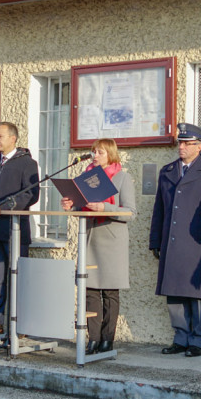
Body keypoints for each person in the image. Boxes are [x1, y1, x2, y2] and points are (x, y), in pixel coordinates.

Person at [149, 123, 201, 357]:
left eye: (187, 143)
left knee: (197, 293)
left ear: (199, 146)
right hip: (171, 242)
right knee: (174, 292)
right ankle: (180, 338)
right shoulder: (168, 171)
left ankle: (198, 340)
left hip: (197, 243)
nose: (181, 147)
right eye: (180, 142)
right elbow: (159, 209)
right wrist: (155, 241)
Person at [60, 139, 136, 354]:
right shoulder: (86, 178)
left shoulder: (122, 177)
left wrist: (105, 206)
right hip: (91, 238)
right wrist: (70, 205)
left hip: (112, 240)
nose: (95, 155)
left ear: (110, 153)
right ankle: (92, 339)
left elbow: (131, 212)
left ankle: (107, 339)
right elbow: (82, 206)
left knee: (110, 292)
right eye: (93, 151)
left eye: (100, 152)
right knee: (91, 291)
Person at [0, 122, 40, 336]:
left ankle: (19, 322)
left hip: (15, 231)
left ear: (13, 138)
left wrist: (2, 207)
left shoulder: (27, 163)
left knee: (17, 277)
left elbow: (30, 195)